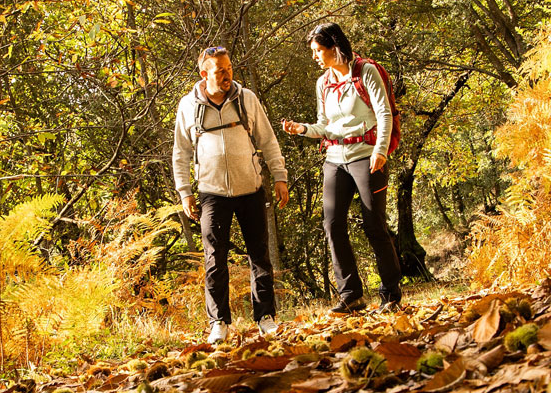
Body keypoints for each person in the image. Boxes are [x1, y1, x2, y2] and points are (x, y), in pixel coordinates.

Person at [282, 23, 403, 315]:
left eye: (317, 50)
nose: (314, 57)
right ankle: (350, 295)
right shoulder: (323, 83)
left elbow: (384, 112)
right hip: (335, 157)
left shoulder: (366, 72)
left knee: (374, 224)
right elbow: (324, 126)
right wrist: (302, 129)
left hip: (367, 155)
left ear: (334, 47)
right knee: (332, 224)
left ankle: (390, 294)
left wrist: (380, 151)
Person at [173, 45, 290, 344]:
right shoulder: (188, 106)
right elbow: (181, 153)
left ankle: (266, 318)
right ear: (204, 74)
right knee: (214, 259)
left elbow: (268, 139)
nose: (227, 75)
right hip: (211, 193)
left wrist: (280, 177)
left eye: (229, 69)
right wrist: (185, 192)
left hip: (250, 188)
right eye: (219, 71)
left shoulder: (246, 99)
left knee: (259, 255)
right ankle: (219, 323)